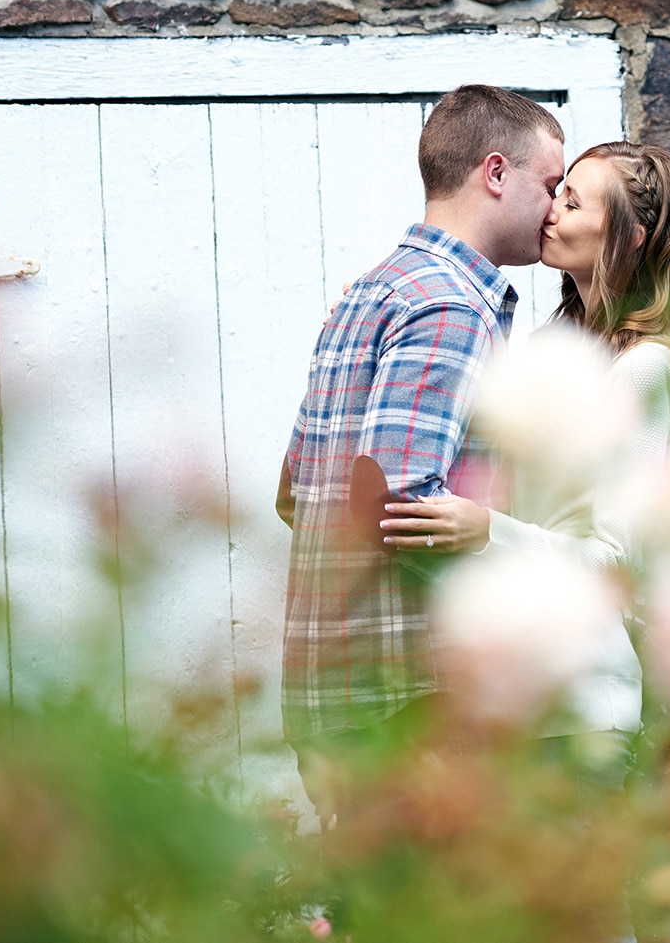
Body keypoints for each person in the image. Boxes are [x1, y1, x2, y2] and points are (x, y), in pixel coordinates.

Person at [377, 140, 670, 759]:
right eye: (556, 194)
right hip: (507, 693)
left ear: (633, 235)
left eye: (573, 201)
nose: (549, 213)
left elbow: (619, 563)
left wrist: (488, 531)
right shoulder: (543, 350)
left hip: (582, 706)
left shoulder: (646, 369)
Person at [277, 84, 566, 822]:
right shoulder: (449, 303)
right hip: (412, 700)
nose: (556, 208)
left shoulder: (367, 294)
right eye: (551, 184)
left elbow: (294, 490)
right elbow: (403, 505)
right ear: (495, 173)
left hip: (336, 691)